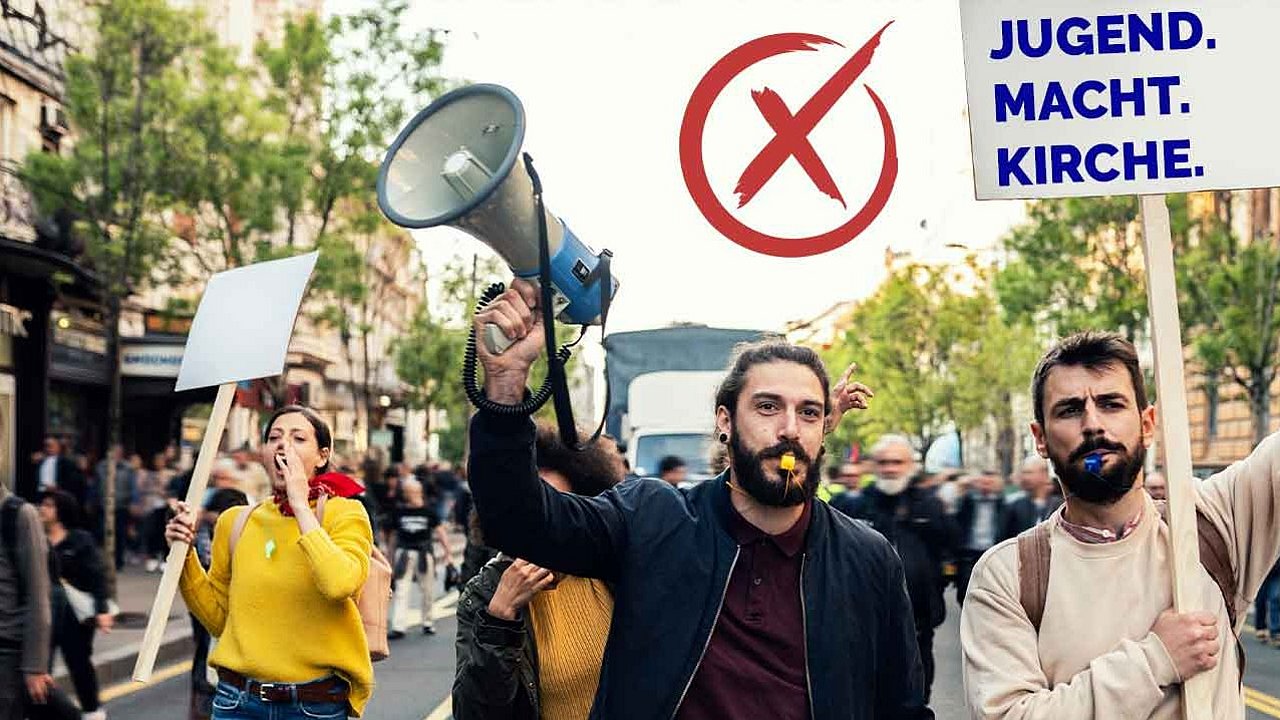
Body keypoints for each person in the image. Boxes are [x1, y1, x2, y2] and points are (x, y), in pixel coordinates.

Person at [466, 280, 928, 719]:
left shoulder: (868, 558)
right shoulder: (653, 520)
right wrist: (506, 386)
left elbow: (901, 708)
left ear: (823, 429)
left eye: (808, 412)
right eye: (768, 407)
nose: (790, 428)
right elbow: (520, 519)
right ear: (724, 422)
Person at [961, 330, 1280, 719]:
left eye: (1111, 404)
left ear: (1147, 423)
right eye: (1070, 410)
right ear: (1040, 439)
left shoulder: (1212, 522)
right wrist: (1154, 661)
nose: (1093, 424)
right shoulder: (1008, 576)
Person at [165, 405, 375, 719]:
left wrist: (301, 507)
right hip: (236, 702)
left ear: (322, 456)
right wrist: (184, 555)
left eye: (298, 438)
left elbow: (339, 584)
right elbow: (219, 621)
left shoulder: (345, 513)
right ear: (264, 453)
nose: (282, 445)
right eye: (274, 437)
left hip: (312, 705)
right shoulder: (235, 522)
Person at [453, 423, 625, 720]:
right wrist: (500, 618)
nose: (541, 528)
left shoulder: (618, 564)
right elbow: (475, 712)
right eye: (528, 514)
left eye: (556, 511)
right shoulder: (487, 591)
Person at [843, 434, 957, 701]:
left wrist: (936, 584)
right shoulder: (855, 505)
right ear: (873, 465)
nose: (890, 469)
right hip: (863, 622)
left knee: (914, 693)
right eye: (883, 462)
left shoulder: (929, 505)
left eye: (897, 462)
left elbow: (948, 547)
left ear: (910, 465)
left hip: (917, 620)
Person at [39, 491, 111, 720]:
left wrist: (102, 610)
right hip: (45, 614)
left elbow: (97, 575)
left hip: (74, 615)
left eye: (49, 505)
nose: (43, 509)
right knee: (41, 668)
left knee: (79, 663)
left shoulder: (80, 540)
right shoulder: (36, 537)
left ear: (61, 511)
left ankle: (92, 710)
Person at [188, 488, 249, 720]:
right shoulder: (202, 535)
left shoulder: (254, 541)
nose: (218, 532)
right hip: (214, 668)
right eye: (214, 525)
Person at [387, 478, 452, 639]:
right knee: (401, 589)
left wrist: (447, 552)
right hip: (404, 553)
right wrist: (389, 558)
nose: (411, 494)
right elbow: (393, 537)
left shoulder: (428, 511)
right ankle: (398, 626)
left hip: (424, 553)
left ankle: (428, 622)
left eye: (414, 491)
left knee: (427, 589)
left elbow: (440, 532)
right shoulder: (399, 512)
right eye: (408, 491)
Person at [954, 469, 1007, 607]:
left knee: (990, 590)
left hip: (993, 553)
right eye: (983, 482)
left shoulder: (1003, 504)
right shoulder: (968, 501)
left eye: (990, 482)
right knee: (964, 589)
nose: (986, 486)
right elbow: (957, 522)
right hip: (969, 552)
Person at [1001, 457, 1062, 540]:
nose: (1025, 477)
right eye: (1023, 473)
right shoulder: (1015, 505)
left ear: (1044, 474)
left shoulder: (1060, 505)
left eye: (1029, 473)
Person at [27, 437, 85, 507]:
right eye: (46, 446)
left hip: (58, 494)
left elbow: (72, 480)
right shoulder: (39, 461)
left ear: (58, 447)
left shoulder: (65, 462)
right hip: (40, 494)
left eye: (50, 446)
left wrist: (57, 487)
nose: (48, 448)